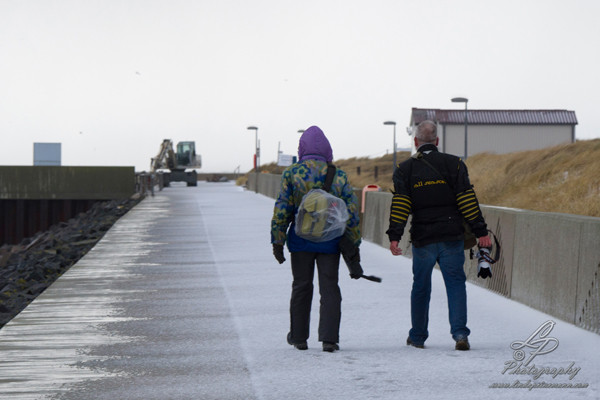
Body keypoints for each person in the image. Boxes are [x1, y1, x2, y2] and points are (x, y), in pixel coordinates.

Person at [387, 120, 491, 351]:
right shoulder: (454, 164)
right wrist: (481, 232)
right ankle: (460, 335)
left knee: (421, 287)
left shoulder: (405, 169)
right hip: (450, 236)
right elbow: (467, 200)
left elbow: (401, 205)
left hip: (423, 237)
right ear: (437, 141)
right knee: (455, 284)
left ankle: (418, 337)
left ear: (415, 142)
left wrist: (395, 236)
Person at [271, 126, 361, 353]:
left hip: (301, 241)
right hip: (330, 242)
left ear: (302, 149)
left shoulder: (292, 173)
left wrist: (278, 240)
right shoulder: (338, 175)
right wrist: (354, 245)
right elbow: (350, 211)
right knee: (329, 288)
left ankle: (299, 337)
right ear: (327, 149)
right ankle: (329, 339)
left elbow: (283, 208)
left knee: (301, 286)